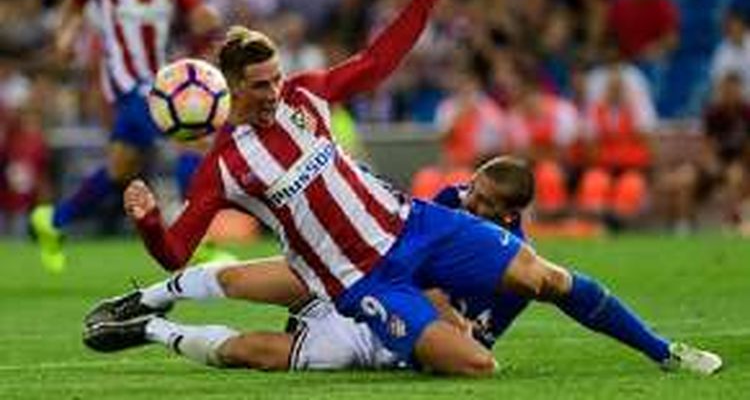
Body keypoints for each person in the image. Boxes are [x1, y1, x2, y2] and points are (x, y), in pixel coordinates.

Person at [90, 0, 720, 376]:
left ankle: (665, 352)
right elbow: (176, 247)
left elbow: (377, 62)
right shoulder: (226, 166)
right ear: (227, 89)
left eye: (277, 76)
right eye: (261, 85)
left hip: (415, 223)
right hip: (365, 279)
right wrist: (146, 216)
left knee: (543, 276)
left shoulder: (306, 96)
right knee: (476, 366)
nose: (276, 89)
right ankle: (155, 314)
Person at [84, 157, 716, 374]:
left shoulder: (515, 267)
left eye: (484, 204)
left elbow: (574, 293)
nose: (466, 200)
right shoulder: (445, 207)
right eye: (471, 190)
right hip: (373, 282)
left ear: (508, 219)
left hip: (383, 337)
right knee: (274, 272)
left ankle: (150, 332)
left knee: (259, 355)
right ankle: (157, 295)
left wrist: (657, 348)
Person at [29, 0, 221, 273]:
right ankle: (199, 243)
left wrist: (204, 18)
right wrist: (66, 37)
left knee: (121, 167)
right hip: (126, 80)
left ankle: (53, 220)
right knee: (194, 140)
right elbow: (73, 5)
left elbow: (195, 10)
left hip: (162, 76)